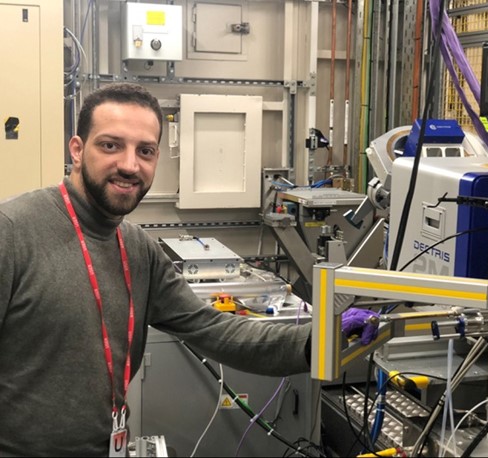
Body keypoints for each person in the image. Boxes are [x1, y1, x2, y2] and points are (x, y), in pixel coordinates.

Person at [0, 82, 378, 456]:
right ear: (78, 150)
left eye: (145, 151)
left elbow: (214, 330)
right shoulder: (13, 231)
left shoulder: (136, 249)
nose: (130, 165)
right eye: (111, 145)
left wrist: (317, 339)